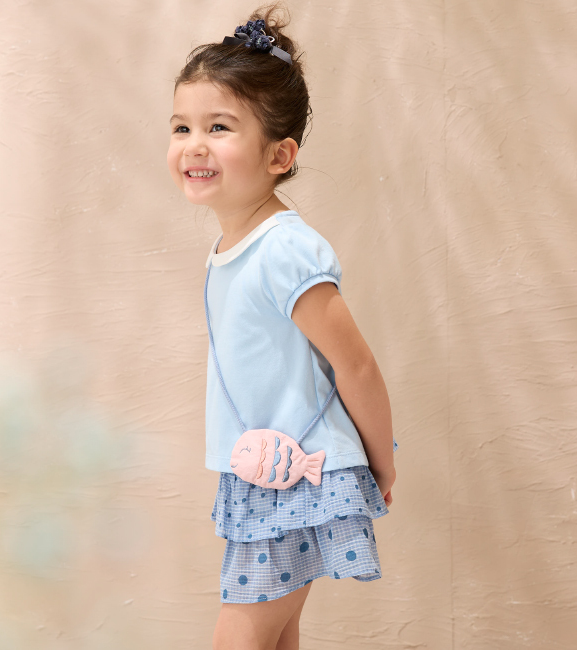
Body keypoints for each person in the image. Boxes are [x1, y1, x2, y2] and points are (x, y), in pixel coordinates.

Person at [167, 3, 399, 649]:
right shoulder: (232, 249)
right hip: (260, 477)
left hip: (301, 476)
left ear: (280, 154)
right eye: (182, 126)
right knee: (275, 638)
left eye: (219, 126)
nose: (194, 144)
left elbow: (355, 364)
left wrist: (380, 462)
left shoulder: (285, 250)